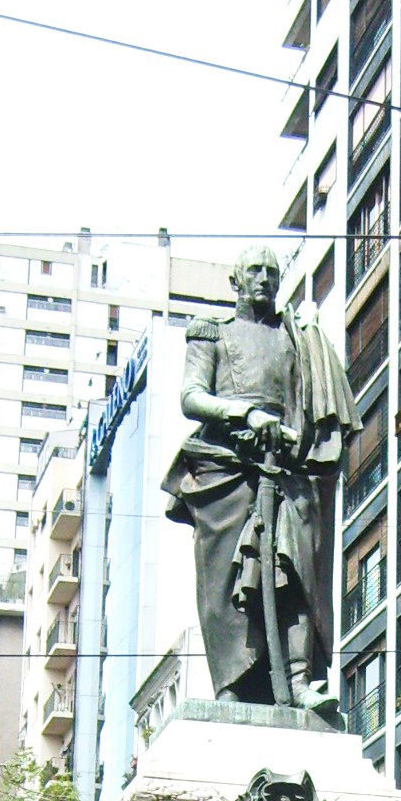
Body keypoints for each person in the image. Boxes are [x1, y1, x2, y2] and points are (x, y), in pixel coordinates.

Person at [163, 246, 361, 709]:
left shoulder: (293, 336)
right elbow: (191, 396)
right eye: (255, 270)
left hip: (287, 464)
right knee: (223, 581)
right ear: (235, 279)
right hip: (227, 468)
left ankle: (296, 681)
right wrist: (242, 413)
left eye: (273, 272)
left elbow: (313, 396)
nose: (265, 279)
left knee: (294, 567)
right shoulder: (213, 332)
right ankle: (231, 685)